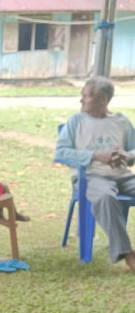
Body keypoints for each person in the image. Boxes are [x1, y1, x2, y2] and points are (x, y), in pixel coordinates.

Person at [55, 77, 135, 272]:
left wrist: (127, 155)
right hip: (91, 177)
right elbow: (61, 153)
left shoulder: (122, 121)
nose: (81, 100)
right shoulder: (76, 121)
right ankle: (128, 254)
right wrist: (97, 156)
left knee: (111, 193)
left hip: (122, 175)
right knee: (106, 197)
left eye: (86, 96)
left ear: (103, 99)